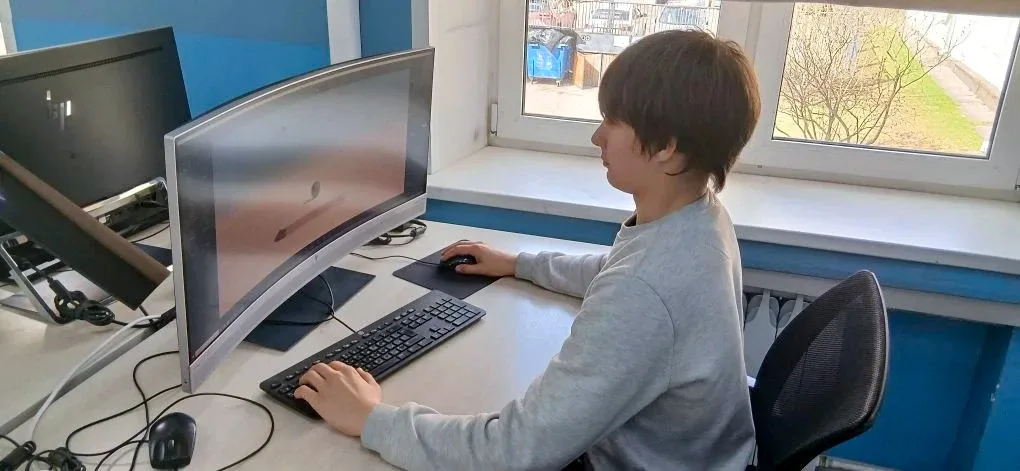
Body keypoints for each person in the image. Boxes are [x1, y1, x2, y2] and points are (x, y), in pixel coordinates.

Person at [295, 29, 762, 470]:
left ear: (666, 148)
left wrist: (371, 419)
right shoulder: (700, 217)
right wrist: (518, 264)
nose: (597, 137)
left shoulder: (645, 289)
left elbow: (517, 452)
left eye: (613, 122)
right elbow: (619, 272)